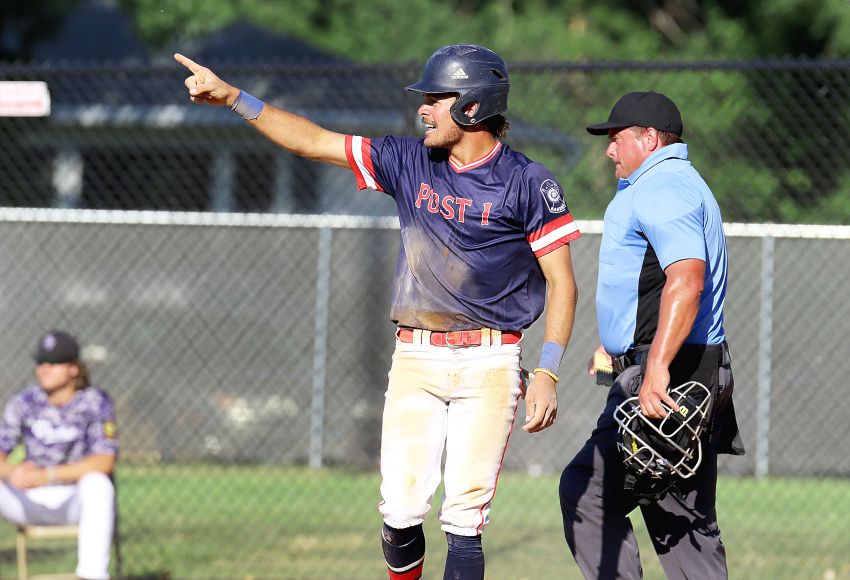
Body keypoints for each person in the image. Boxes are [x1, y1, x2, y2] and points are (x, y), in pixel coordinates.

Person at [176, 44, 580, 580]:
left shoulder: (528, 181)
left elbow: (562, 282)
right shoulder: (410, 160)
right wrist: (233, 98)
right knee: (400, 513)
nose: (424, 108)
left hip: (490, 361)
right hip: (416, 355)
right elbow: (315, 142)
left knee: (464, 519)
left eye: (437, 98)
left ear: (475, 106)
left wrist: (548, 369)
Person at [559, 91, 744, 579]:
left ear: (649, 138)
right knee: (682, 526)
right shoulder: (668, 183)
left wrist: (656, 365)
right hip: (671, 366)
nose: (609, 151)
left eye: (616, 139)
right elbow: (652, 281)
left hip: (670, 372)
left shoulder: (664, 187)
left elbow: (686, 279)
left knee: (594, 496)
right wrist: (616, 342)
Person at [0, 330, 119, 580]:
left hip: (74, 499)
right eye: (41, 362)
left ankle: (92, 575)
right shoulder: (24, 402)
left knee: (99, 484)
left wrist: (49, 475)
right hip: (26, 499)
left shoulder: (95, 402)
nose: (44, 368)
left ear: (74, 368)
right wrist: (12, 472)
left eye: (54, 363)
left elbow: (105, 460)